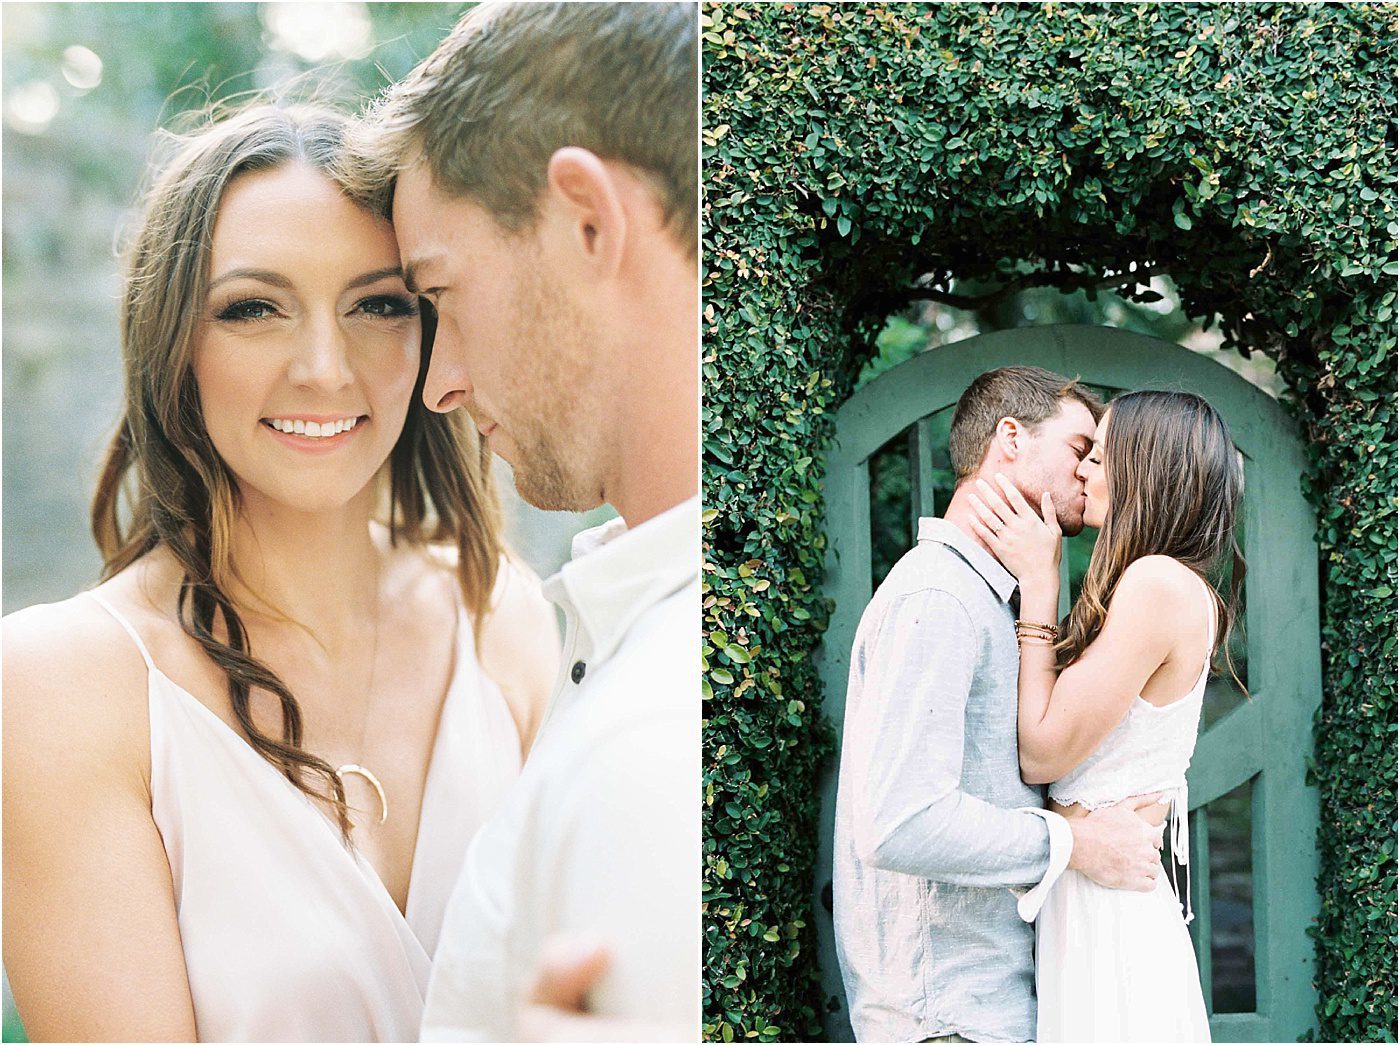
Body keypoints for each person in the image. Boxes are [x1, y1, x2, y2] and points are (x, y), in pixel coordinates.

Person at [1, 103, 558, 1043]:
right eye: (253, 308)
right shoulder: (60, 687)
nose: (324, 369)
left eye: (378, 304)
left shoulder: (501, 614)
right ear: (175, 340)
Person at [341, 2, 700, 1040]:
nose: (438, 384)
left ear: (586, 218)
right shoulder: (633, 646)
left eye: (439, 292)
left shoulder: (656, 737)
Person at [833, 366, 1169, 1043]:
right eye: (1080, 449)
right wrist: (1077, 842)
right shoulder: (939, 596)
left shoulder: (993, 598)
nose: (1091, 473)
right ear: (1010, 437)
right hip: (947, 1021)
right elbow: (901, 822)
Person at [969, 389, 1241, 1042]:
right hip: (1095, 898)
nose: (1085, 469)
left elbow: (1042, 751)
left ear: (1143, 468)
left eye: (1100, 454)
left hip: (1109, 914)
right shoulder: (1162, 584)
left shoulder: (1156, 584)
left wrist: (1038, 583)